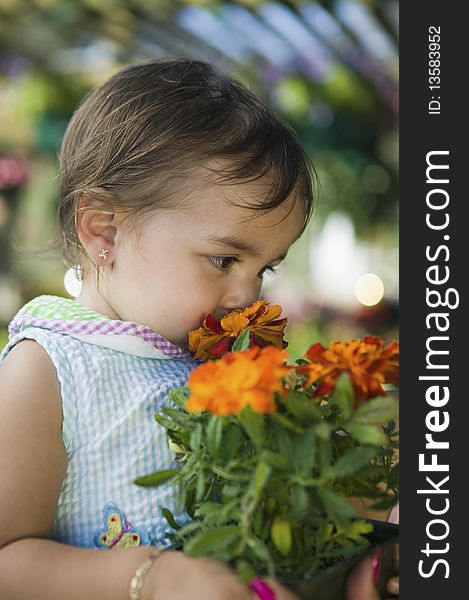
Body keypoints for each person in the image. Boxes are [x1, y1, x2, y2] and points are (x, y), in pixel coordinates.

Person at [0, 59, 398, 599]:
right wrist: (150, 577)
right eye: (223, 259)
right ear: (104, 232)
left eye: (265, 268)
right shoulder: (49, 369)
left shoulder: (217, 362)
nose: (247, 296)